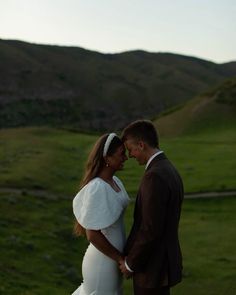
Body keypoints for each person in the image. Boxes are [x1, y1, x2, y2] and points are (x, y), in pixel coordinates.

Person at [119, 120, 184, 295]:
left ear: (141, 145)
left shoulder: (153, 176)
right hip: (163, 265)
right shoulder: (169, 168)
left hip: (152, 268)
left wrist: (130, 263)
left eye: (131, 149)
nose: (130, 155)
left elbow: (150, 229)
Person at [72, 133, 129, 295]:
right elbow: (92, 234)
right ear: (107, 158)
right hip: (103, 262)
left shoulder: (116, 182)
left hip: (113, 259)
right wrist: (119, 259)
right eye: (121, 154)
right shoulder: (97, 187)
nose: (125, 158)